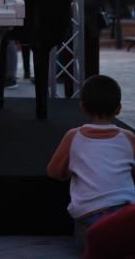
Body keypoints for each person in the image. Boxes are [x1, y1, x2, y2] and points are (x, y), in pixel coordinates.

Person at [47, 74, 135, 255]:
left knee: (95, 244)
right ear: (118, 109)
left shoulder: (73, 136)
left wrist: (71, 172)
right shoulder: (129, 138)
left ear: (83, 107)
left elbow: (54, 171)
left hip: (89, 219)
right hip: (125, 214)